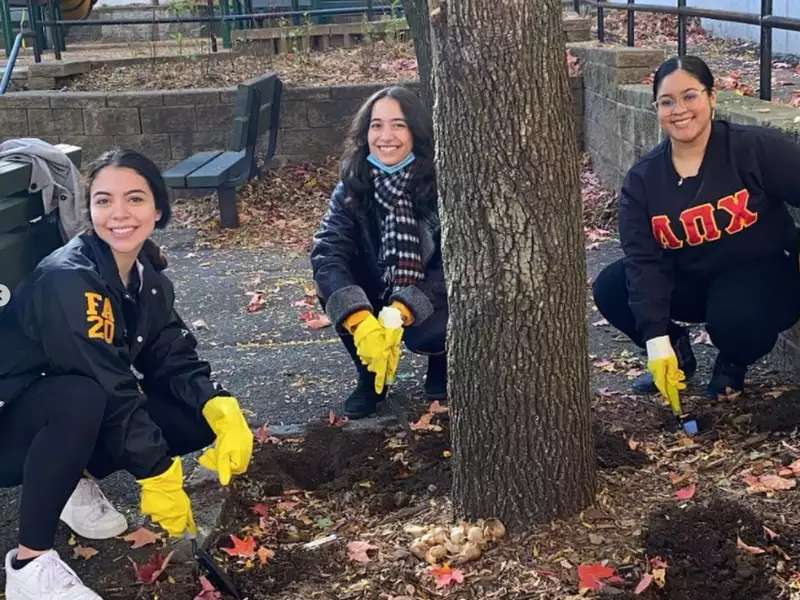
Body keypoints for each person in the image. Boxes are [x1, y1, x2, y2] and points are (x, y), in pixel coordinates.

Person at [0, 149, 253, 599]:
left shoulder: (147, 276)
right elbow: (105, 382)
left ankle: (73, 480)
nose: (118, 213)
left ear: (158, 209)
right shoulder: (69, 278)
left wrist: (218, 402)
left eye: (134, 199)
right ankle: (29, 565)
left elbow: (171, 352)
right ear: (89, 209)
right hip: (10, 425)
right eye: (103, 200)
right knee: (80, 397)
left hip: (50, 414)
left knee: (190, 412)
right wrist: (156, 471)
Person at [592, 55, 800, 404]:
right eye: (667, 101)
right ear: (656, 108)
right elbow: (644, 261)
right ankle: (677, 356)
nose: (680, 109)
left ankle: (733, 363)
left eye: (690, 96)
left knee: (736, 316)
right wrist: (656, 341)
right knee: (612, 287)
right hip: (690, 278)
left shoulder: (751, 148)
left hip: (760, 275)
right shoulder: (643, 181)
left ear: (712, 98)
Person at [311, 85, 447, 419]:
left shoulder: (441, 183)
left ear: (416, 131)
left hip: (427, 292)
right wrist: (359, 319)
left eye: (398, 125)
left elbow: (452, 264)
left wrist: (403, 309)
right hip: (377, 286)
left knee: (437, 319)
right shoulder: (352, 183)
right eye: (376, 125)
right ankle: (370, 371)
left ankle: (442, 360)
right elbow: (327, 250)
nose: (386, 135)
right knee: (333, 284)